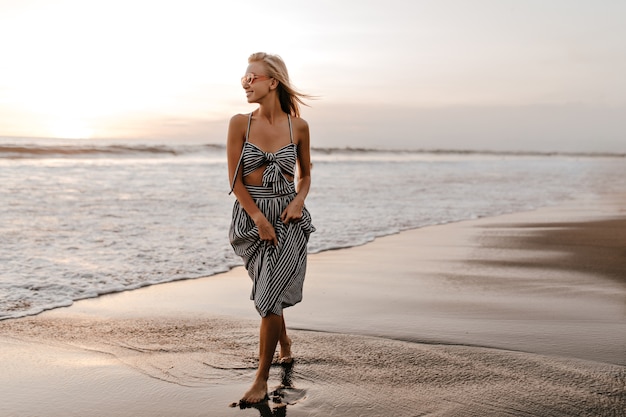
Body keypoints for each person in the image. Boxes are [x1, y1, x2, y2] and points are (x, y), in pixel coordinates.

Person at [227, 52, 315, 404]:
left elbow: (306, 175)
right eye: (243, 78)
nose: (245, 83)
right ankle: (285, 342)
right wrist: (259, 220)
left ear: (272, 82)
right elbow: (235, 181)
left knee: (267, 298)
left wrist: (298, 201)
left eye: (252, 77)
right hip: (251, 219)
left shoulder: (300, 127)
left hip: (287, 220)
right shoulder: (240, 124)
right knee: (268, 291)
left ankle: (261, 380)